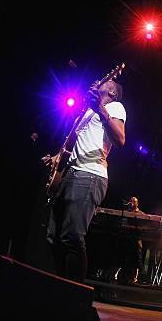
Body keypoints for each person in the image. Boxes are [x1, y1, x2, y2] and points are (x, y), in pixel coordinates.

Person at [42, 79, 126, 283]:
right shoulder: (85, 113)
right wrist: (56, 158)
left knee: (72, 236)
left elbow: (120, 139)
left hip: (90, 175)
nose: (100, 80)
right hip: (69, 174)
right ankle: (61, 287)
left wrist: (100, 109)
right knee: (53, 236)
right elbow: (74, 145)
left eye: (107, 81)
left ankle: (74, 295)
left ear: (112, 92)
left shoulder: (115, 107)